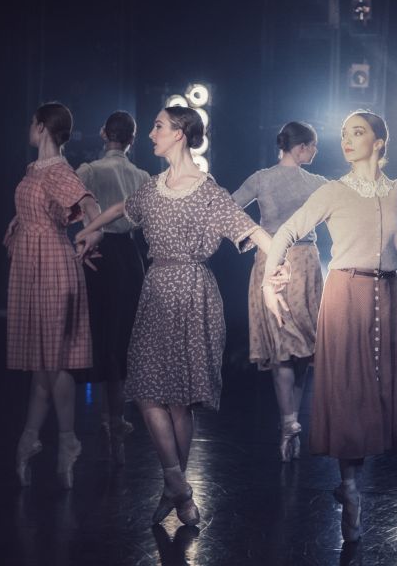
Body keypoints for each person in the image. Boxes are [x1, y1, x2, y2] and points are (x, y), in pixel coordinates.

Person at [262, 110, 397, 542]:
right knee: (347, 388)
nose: (347, 139)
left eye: (357, 132)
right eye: (344, 133)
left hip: (386, 296)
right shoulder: (333, 191)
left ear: (379, 141)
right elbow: (285, 232)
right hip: (345, 293)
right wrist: (269, 280)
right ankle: (352, 487)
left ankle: (351, 483)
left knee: (373, 390)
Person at [75, 106, 287, 527]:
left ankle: (175, 486)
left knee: (179, 399)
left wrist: (277, 266)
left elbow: (251, 229)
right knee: (146, 389)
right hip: (155, 288)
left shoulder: (208, 191)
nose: (151, 133)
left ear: (179, 133)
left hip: (192, 291)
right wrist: (88, 230)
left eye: (158, 126)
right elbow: (121, 208)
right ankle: (177, 484)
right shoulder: (153, 187)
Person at [3, 102, 103, 489]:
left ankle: (65, 440)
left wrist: (92, 233)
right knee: (40, 361)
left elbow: (90, 206)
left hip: (51, 266)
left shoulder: (59, 170)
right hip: (31, 265)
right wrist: (21, 222)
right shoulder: (36, 169)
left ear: (42, 126)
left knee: (54, 362)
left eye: (33, 122)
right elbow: (39, 209)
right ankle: (32, 440)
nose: (29, 127)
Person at [231, 121, 327, 462]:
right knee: (299, 348)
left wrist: (255, 237)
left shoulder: (261, 178)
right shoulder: (317, 183)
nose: (315, 151)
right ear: (301, 147)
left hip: (270, 259)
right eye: (313, 146)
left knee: (283, 347)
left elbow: (228, 209)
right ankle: (291, 421)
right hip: (303, 262)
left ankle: (289, 422)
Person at [75, 111, 149, 465]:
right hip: (129, 256)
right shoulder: (142, 176)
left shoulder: (89, 170)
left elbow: (73, 208)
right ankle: (114, 418)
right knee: (122, 335)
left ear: (104, 133)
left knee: (98, 331)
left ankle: (100, 421)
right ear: (132, 139)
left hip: (98, 254)